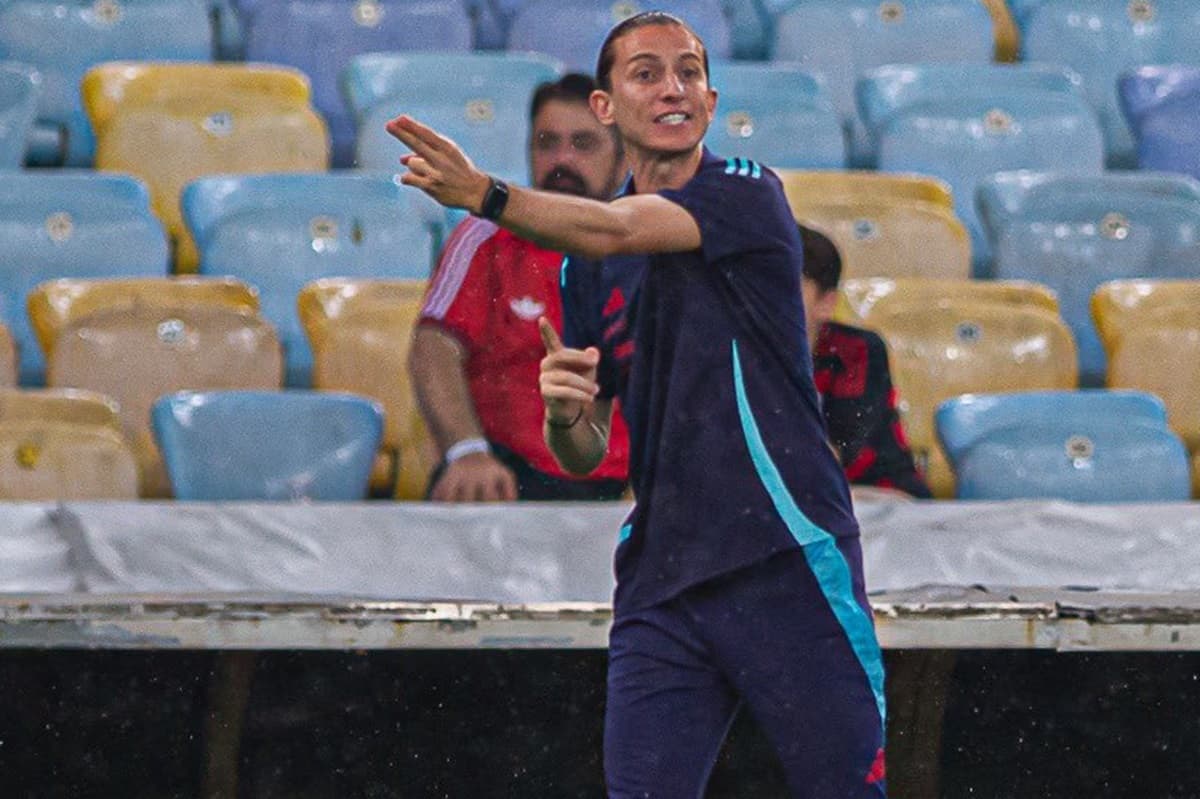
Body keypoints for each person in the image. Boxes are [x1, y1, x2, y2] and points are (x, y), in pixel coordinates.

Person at [386, 12, 886, 797]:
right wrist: (564, 413)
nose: (672, 87)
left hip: (785, 555)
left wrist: (482, 192)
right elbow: (586, 447)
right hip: (662, 576)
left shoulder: (747, 193)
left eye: (688, 71)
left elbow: (616, 228)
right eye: (646, 73)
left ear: (711, 103)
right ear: (606, 107)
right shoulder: (587, 271)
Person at [408, 73, 630, 502]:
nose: (562, 159)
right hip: (503, 477)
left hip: (620, 486)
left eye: (583, 144)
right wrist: (467, 452)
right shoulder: (486, 236)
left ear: (622, 161)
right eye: (547, 143)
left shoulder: (650, 248)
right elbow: (432, 346)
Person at [800, 224, 933, 499]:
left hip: (876, 492)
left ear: (826, 303)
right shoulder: (740, 352)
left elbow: (839, 449)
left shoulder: (857, 349)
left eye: (787, 286)